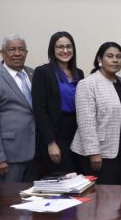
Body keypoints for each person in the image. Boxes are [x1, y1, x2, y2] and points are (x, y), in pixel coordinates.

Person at [0, 34, 37, 183]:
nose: (17, 53)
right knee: (8, 201)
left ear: (26, 53)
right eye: (12, 49)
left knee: (31, 201)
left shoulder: (33, 74)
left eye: (21, 49)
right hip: (8, 157)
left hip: (34, 153)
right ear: (2, 53)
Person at [71, 42, 121, 185]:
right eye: (110, 56)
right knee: (102, 198)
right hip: (99, 153)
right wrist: (93, 152)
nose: (115, 60)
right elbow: (86, 122)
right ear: (99, 59)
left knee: (119, 196)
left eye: (118, 57)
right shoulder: (88, 84)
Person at [31, 31, 84, 175]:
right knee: (65, 179)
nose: (65, 50)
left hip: (76, 134)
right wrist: (51, 143)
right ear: (52, 50)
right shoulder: (43, 72)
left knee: (79, 179)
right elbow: (39, 110)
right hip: (56, 134)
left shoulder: (79, 73)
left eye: (69, 46)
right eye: (60, 47)